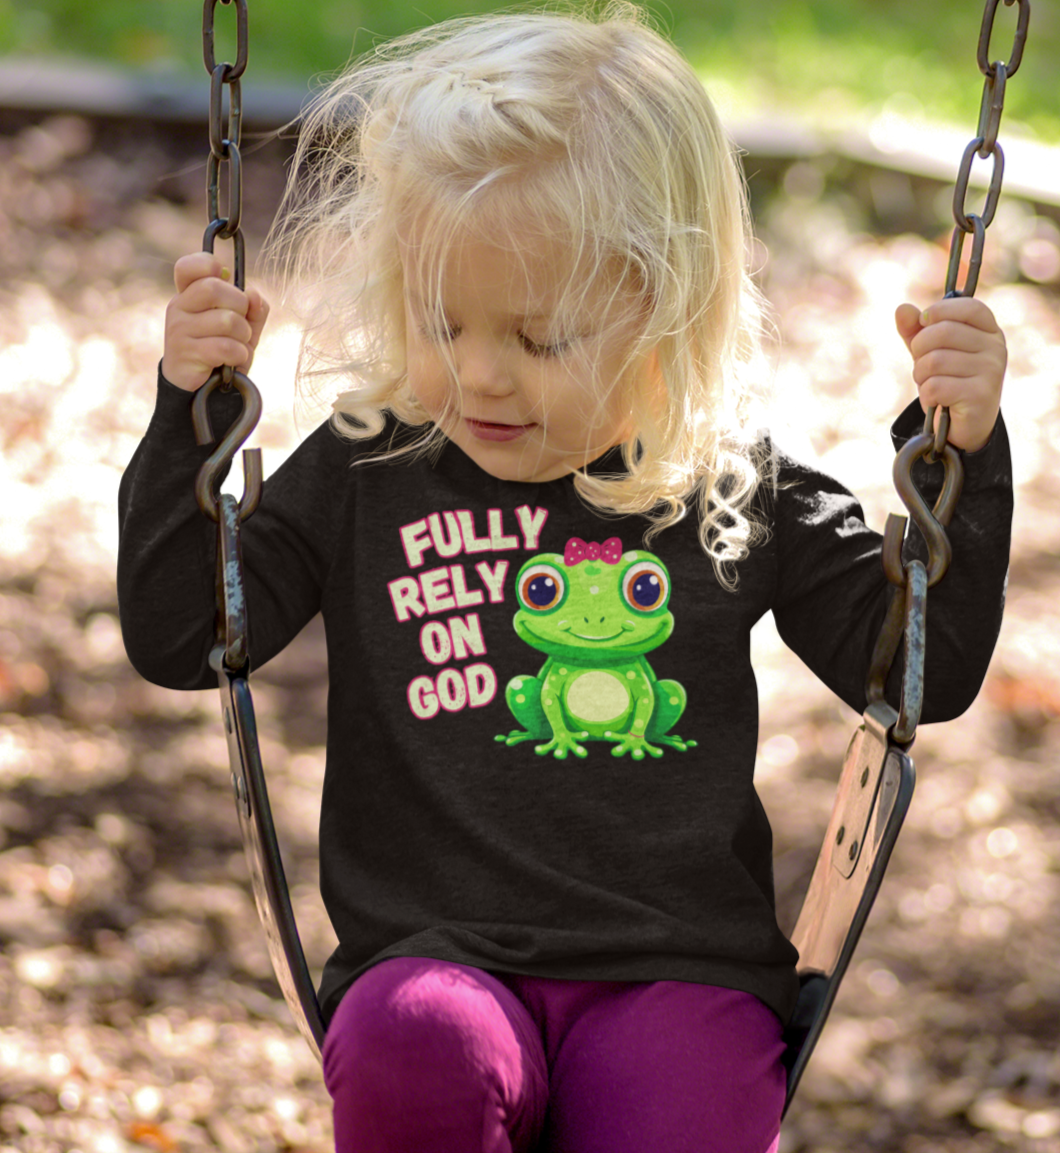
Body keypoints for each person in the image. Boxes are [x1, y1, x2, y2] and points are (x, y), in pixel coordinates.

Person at [118, 6, 1012, 1151]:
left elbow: (917, 671)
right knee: (416, 1047)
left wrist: (965, 458)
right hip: (430, 956)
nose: (481, 373)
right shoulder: (368, 464)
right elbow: (182, 632)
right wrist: (184, 421)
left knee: (685, 1105)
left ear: (661, 308)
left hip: (676, 966)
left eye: (539, 340)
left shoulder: (730, 485)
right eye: (443, 323)